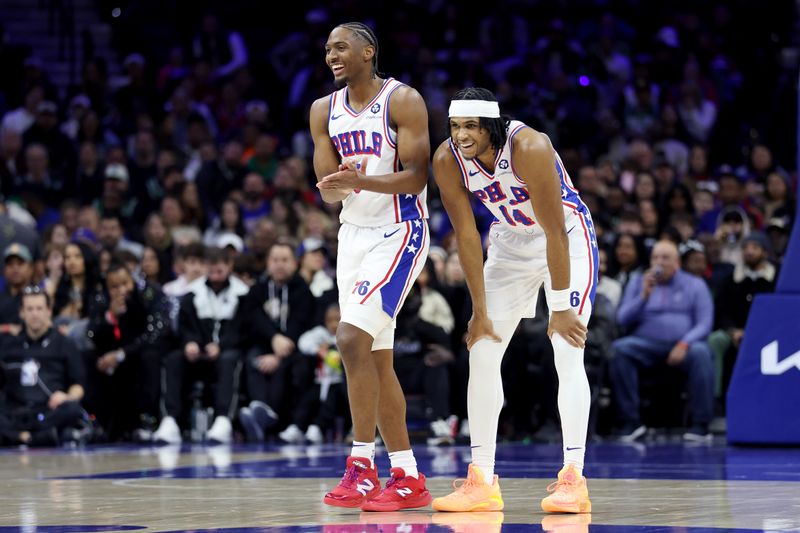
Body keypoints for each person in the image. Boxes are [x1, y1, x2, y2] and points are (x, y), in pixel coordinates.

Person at [430, 88, 597, 514]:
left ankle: (573, 478)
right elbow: (467, 236)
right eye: (454, 126)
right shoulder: (447, 160)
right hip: (508, 242)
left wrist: (559, 307)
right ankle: (482, 480)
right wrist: (479, 311)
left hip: (564, 238)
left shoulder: (530, 146)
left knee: (567, 347)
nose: (461, 136)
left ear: (492, 126)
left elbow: (555, 230)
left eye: (470, 127)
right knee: (482, 349)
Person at [309, 21, 432, 511]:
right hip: (353, 236)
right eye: (327, 49)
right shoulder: (323, 110)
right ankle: (407, 476)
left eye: (341, 47)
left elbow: (417, 177)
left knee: (350, 338)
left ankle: (361, 466)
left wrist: (361, 181)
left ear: (368, 51)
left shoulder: (403, 100)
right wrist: (334, 186)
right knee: (375, 360)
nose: (332, 55)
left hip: (400, 231)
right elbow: (328, 185)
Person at [610, 240, 714, 442]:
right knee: (620, 350)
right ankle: (630, 422)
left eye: (665, 258)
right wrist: (643, 296)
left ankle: (701, 425)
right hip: (646, 344)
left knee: (702, 352)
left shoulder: (695, 284)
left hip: (684, 346)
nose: (659, 262)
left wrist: (684, 344)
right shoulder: (638, 282)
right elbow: (621, 319)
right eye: (655, 257)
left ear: (677, 263)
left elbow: (705, 323)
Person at [0, 286, 86, 446]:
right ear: (22, 313)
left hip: (48, 411)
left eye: (39, 308)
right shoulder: (9, 345)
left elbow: (78, 386)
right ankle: (31, 437)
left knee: (72, 409)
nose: (34, 314)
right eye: (30, 309)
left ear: (48, 311)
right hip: (16, 413)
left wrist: (67, 397)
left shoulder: (64, 343)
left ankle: (19, 437)